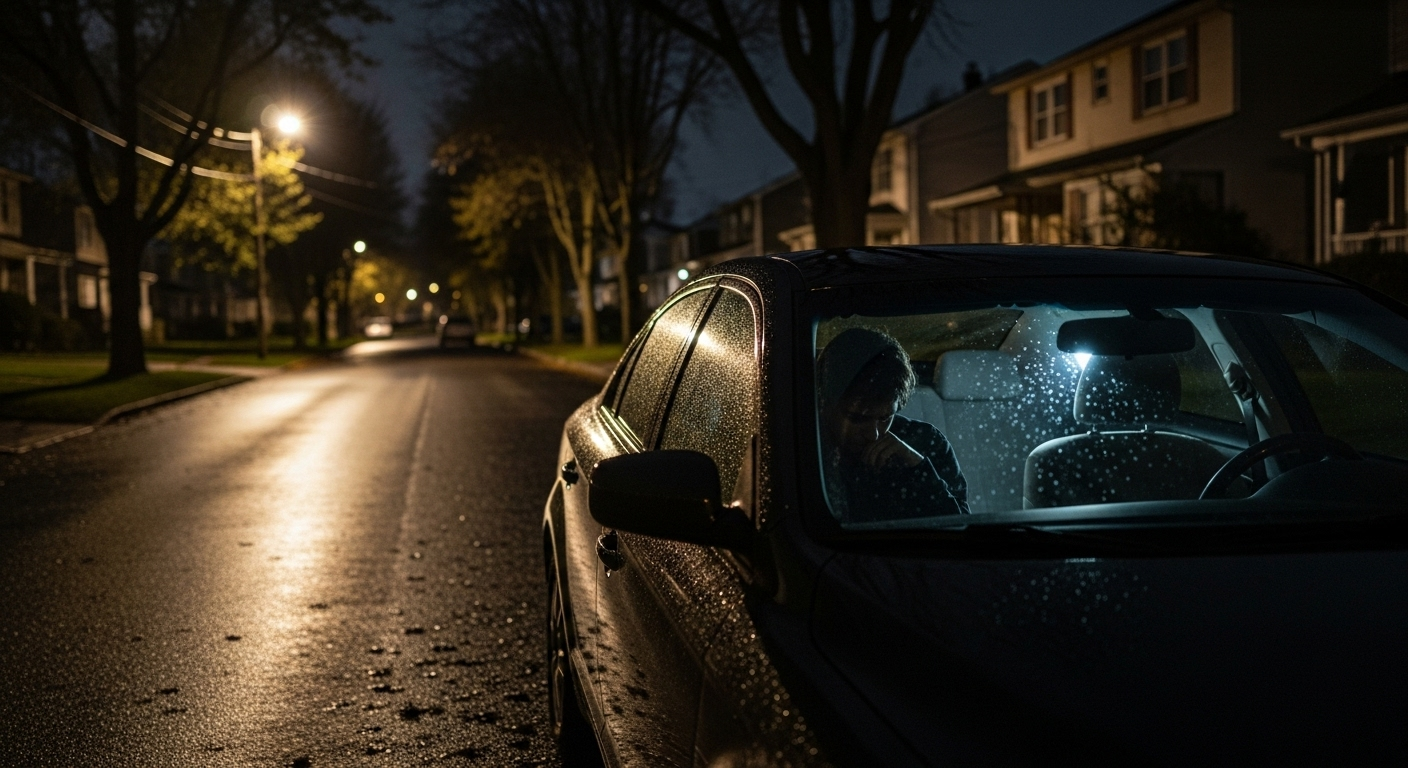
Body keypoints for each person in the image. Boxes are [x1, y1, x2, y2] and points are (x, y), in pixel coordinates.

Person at [818, 328, 969, 521]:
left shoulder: (927, 442)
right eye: (857, 418)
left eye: (885, 418)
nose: (874, 434)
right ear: (825, 403)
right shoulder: (807, 449)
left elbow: (961, 525)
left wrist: (917, 467)